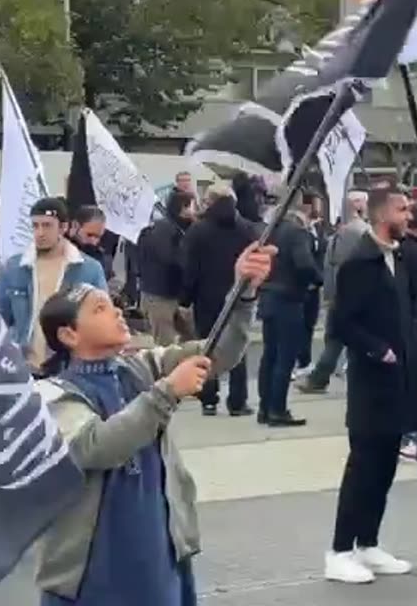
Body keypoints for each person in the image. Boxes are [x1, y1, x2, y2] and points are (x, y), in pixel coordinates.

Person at [32, 243, 274, 606]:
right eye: (99, 309)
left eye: (114, 305)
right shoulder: (52, 396)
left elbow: (218, 352)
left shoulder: (139, 367)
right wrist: (168, 392)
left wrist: (243, 292)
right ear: (69, 335)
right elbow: (97, 444)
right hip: (94, 571)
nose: (116, 313)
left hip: (158, 552)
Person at [324, 187, 417, 584]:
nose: (409, 215)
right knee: (362, 466)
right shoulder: (358, 261)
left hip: (398, 384)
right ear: (382, 216)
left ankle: (368, 543)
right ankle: (340, 550)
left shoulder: (402, 256)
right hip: (370, 384)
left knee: (384, 466)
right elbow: (341, 323)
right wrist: (379, 351)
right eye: (402, 209)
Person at [0, 198, 108, 370]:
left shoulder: (89, 269)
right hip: (23, 365)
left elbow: (102, 320)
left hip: (69, 366)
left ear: (63, 227)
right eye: (35, 226)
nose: (40, 233)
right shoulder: (14, 268)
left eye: (47, 225)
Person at [182, 182, 258, 417]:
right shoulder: (247, 229)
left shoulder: (198, 230)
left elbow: (189, 267)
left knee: (206, 347)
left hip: (206, 297)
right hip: (237, 293)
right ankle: (237, 401)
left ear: (210, 202)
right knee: (238, 345)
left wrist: (186, 297)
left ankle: (208, 398)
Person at [256, 195, 322, 427]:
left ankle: (264, 408)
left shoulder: (268, 232)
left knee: (269, 355)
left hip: (267, 295)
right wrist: (316, 280)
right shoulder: (297, 234)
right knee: (286, 357)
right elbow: (304, 263)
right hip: (289, 298)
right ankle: (278, 409)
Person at [297, 194, 370, 395]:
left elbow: (336, 267)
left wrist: (330, 295)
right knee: (339, 340)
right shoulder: (359, 231)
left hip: (344, 295)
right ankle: (320, 379)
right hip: (349, 295)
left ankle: (319, 379)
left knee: (336, 338)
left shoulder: (349, 232)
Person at [138, 190, 197, 346]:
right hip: (159, 294)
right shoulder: (164, 228)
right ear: (183, 208)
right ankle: (167, 370)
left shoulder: (181, 227)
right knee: (165, 342)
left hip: (174, 293)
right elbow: (168, 256)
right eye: (192, 205)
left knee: (191, 337)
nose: (195, 210)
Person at [296, 191, 329, 375]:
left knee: (309, 324)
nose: (319, 210)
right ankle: (296, 361)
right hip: (301, 285)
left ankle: (305, 361)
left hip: (315, 285)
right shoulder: (298, 229)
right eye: (316, 205)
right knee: (297, 326)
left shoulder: (319, 229)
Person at [69, 206, 114, 282]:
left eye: (98, 237)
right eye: (89, 235)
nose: (94, 242)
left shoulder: (102, 258)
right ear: (75, 225)